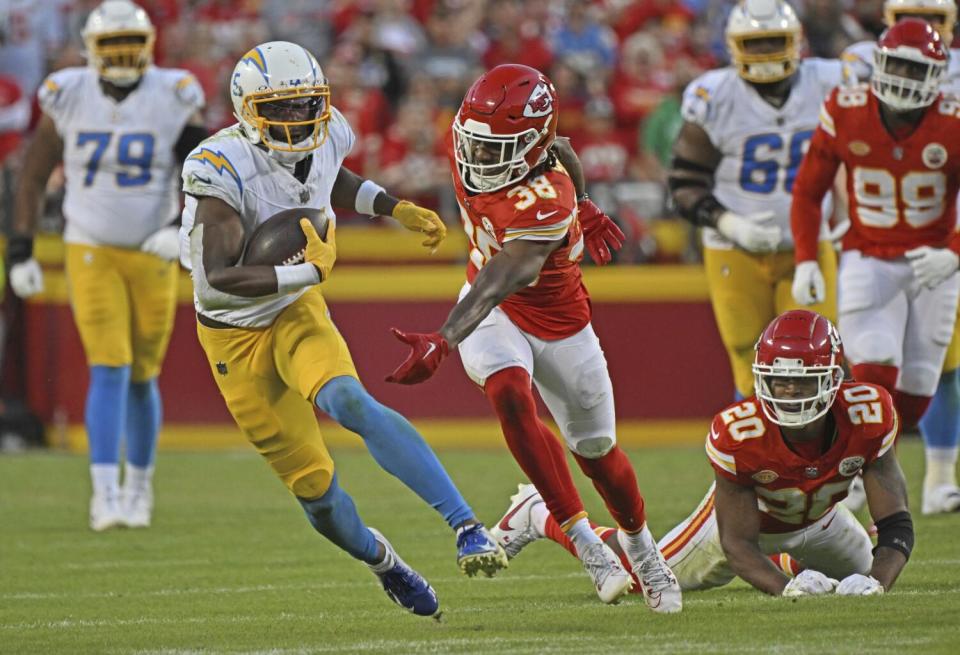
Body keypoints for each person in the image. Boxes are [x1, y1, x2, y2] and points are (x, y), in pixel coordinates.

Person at [181, 40, 506, 619]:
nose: (296, 120)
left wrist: (392, 207)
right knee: (319, 500)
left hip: (294, 312)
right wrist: (308, 268)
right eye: (278, 109)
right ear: (245, 110)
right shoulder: (218, 167)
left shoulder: (328, 132)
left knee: (349, 400)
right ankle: (386, 562)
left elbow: (331, 177)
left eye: (305, 104)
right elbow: (215, 281)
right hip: (232, 334)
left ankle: (467, 526)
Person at [385, 63, 681, 612]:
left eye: (497, 147)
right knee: (508, 392)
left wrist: (445, 339)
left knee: (598, 454)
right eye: (475, 141)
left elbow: (510, 272)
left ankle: (642, 547)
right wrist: (589, 206)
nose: (478, 157)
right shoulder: (493, 145)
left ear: (529, 146)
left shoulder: (548, 195)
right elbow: (564, 145)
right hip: (496, 312)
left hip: (558, 321)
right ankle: (588, 544)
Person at [496, 310, 914, 597]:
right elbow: (738, 543)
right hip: (740, 529)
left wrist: (877, 582)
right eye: (779, 382)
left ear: (834, 378)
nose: (788, 394)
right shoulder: (740, 433)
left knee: (862, 581)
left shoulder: (868, 414)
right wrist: (787, 590)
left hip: (821, 521)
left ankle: (791, 560)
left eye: (803, 383)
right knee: (646, 578)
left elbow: (895, 524)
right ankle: (543, 516)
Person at [7, 0, 207, 531]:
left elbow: (207, 171)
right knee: (110, 364)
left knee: (143, 374)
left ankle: (138, 488)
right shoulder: (69, 94)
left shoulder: (172, 95)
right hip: (89, 243)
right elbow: (32, 173)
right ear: (90, 51)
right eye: (111, 46)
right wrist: (20, 247)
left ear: (148, 48)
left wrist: (177, 228)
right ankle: (105, 493)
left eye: (130, 45)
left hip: (151, 248)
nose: (121, 57)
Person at [791, 19, 960, 514]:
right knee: (871, 373)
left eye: (916, 67)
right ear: (878, 63)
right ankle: (851, 471)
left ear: (937, 74)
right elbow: (809, 190)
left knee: (916, 396)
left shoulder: (952, 119)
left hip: (933, 264)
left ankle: (869, 462)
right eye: (898, 64)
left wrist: (953, 249)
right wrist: (807, 258)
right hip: (868, 257)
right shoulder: (846, 110)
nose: (905, 77)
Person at [667, 0, 850, 402]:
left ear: (796, 41)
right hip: (734, 248)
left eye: (775, 41)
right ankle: (751, 460)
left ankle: (827, 463)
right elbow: (682, 184)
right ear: (734, 46)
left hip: (807, 244)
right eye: (756, 43)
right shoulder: (715, 96)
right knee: (748, 357)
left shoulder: (827, 80)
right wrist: (730, 223)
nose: (766, 53)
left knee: (819, 355)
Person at [840, 0, 960, 515]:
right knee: (872, 358)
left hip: (942, 238)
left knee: (935, 369)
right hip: (874, 236)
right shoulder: (855, 73)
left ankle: (938, 476)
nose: (924, 28)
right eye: (913, 16)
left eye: (936, 19)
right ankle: (847, 468)